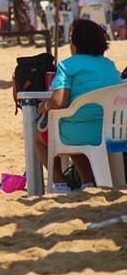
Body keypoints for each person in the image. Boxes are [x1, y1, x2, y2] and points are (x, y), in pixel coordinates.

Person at [35, 19, 121, 192]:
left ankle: (59, 184)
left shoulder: (67, 66)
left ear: (75, 42)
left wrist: (44, 106)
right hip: (111, 132)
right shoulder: (109, 65)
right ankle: (87, 181)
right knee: (75, 123)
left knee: (39, 136)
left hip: (76, 134)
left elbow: (58, 103)